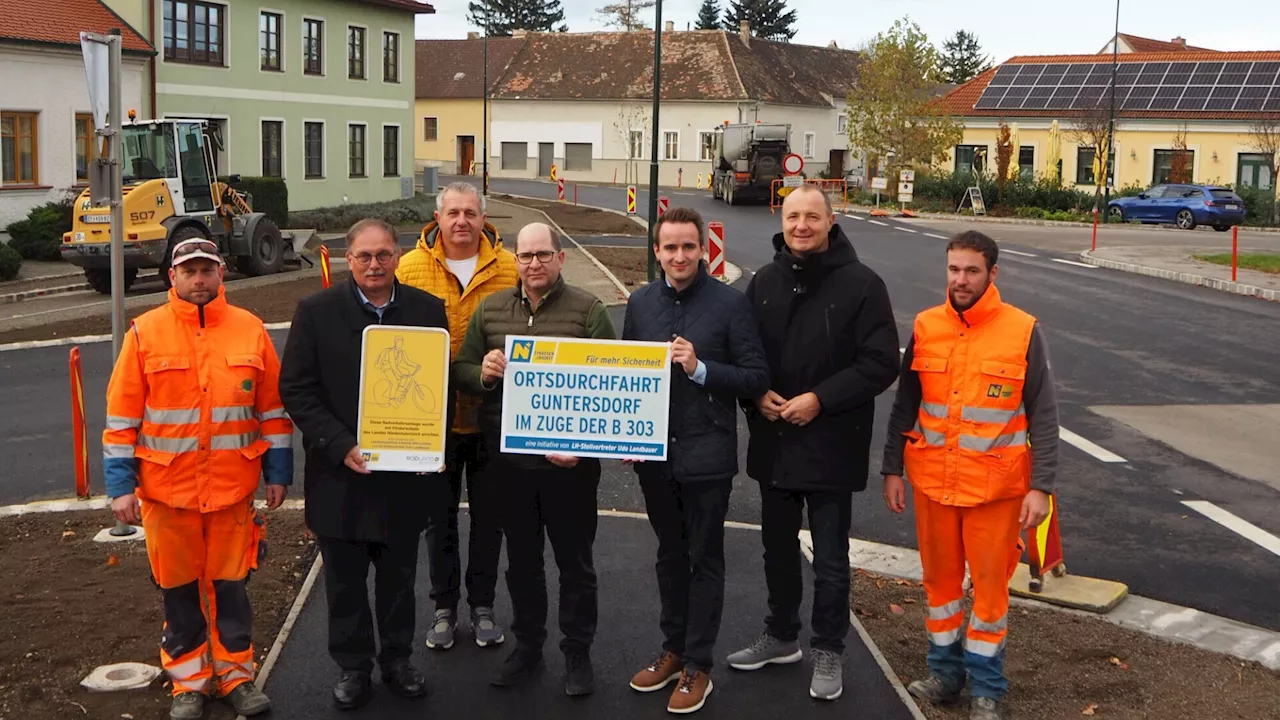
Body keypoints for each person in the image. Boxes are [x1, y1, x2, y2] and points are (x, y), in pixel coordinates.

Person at [103, 238, 293, 720]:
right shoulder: (145, 333)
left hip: (232, 490)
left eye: (207, 269)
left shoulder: (250, 330)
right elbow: (121, 418)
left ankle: (235, 676)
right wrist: (120, 485)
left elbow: (272, 411)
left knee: (232, 589)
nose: (199, 278)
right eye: (189, 270)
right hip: (167, 493)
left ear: (221, 274)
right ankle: (188, 681)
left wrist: (279, 473)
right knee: (180, 591)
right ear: (173, 277)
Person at [728, 185, 901, 701]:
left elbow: (880, 363)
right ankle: (781, 636)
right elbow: (744, 354)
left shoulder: (864, 285)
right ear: (781, 220)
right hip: (775, 441)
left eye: (811, 216)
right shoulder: (762, 283)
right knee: (776, 550)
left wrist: (819, 400)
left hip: (832, 443)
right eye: (792, 216)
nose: (801, 225)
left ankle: (828, 648)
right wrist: (755, 397)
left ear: (831, 220)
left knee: (829, 558)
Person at [880, 230, 1058, 720]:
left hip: (996, 491)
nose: (961, 279)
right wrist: (891, 468)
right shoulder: (926, 325)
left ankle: (986, 689)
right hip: (933, 484)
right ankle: (944, 676)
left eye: (972, 271)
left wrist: (1041, 486)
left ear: (992, 274)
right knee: (940, 588)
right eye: (954, 269)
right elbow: (905, 406)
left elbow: (1043, 413)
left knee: (990, 593)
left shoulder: (1022, 330)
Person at [279, 219, 451, 711]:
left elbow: (435, 388)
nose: (374, 265)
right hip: (341, 476)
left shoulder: (426, 309)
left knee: (399, 581)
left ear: (398, 256)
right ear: (346, 259)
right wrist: (339, 443)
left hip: (403, 479)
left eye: (382, 255)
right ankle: (353, 668)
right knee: (345, 582)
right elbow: (297, 389)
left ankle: (397, 660)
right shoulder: (316, 312)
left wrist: (429, 448)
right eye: (364, 257)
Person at [453, 222, 616, 697]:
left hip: (570, 467)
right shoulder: (491, 309)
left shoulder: (589, 310)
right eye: (525, 256)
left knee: (576, 565)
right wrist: (481, 372)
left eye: (543, 254)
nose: (534, 264)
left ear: (560, 258)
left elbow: (611, 387)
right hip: (509, 467)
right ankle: (528, 647)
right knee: (522, 564)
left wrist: (583, 447)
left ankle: (578, 652)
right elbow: (461, 369)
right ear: (515, 261)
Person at [621, 207, 770, 714]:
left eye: (689, 246)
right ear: (657, 251)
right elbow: (625, 376)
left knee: (704, 557)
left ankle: (697, 665)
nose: (680, 256)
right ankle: (673, 649)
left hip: (707, 455)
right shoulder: (640, 303)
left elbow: (754, 377)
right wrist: (626, 435)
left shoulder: (730, 304)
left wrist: (701, 367)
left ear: (704, 249)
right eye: (671, 247)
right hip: (655, 455)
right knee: (668, 554)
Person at [397, 181, 518, 650]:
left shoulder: (509, 267)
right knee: (437, 520)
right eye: (453, 213)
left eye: (471, 212)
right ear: (438, 216)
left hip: (492, 417)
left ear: (484, 218)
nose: (462, 221)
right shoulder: (410, 267)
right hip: (433, 422)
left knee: (491, 518)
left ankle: (483, 605)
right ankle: (444, 608)